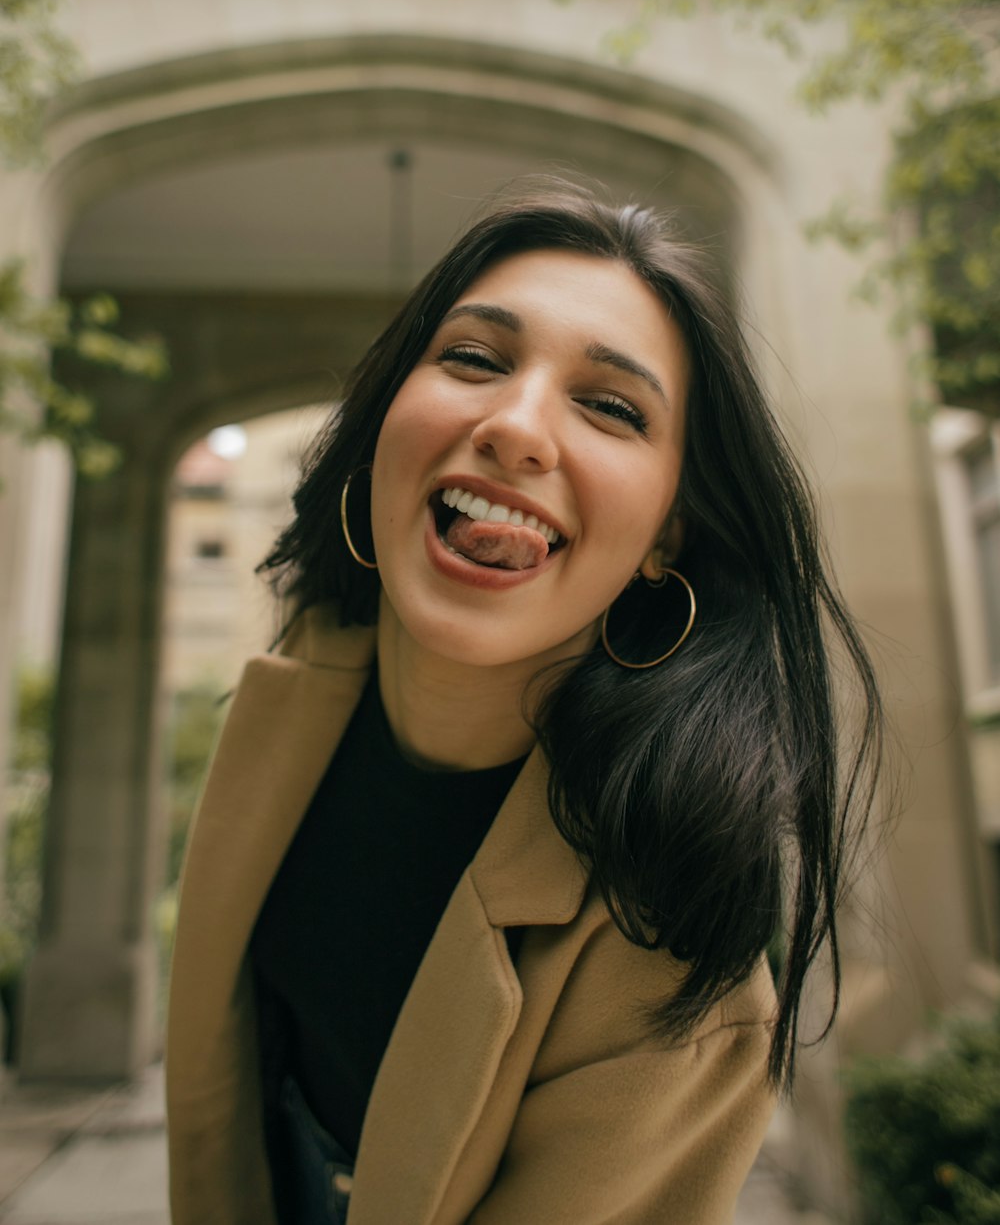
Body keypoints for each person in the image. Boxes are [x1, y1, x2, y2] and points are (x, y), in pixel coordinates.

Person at [166, 179, 882, 1225]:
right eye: (472, 358)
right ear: (381, 428)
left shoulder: (671, 972)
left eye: (609, 406)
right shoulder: (301, 689)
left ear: (666, 538)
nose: (514, 426)